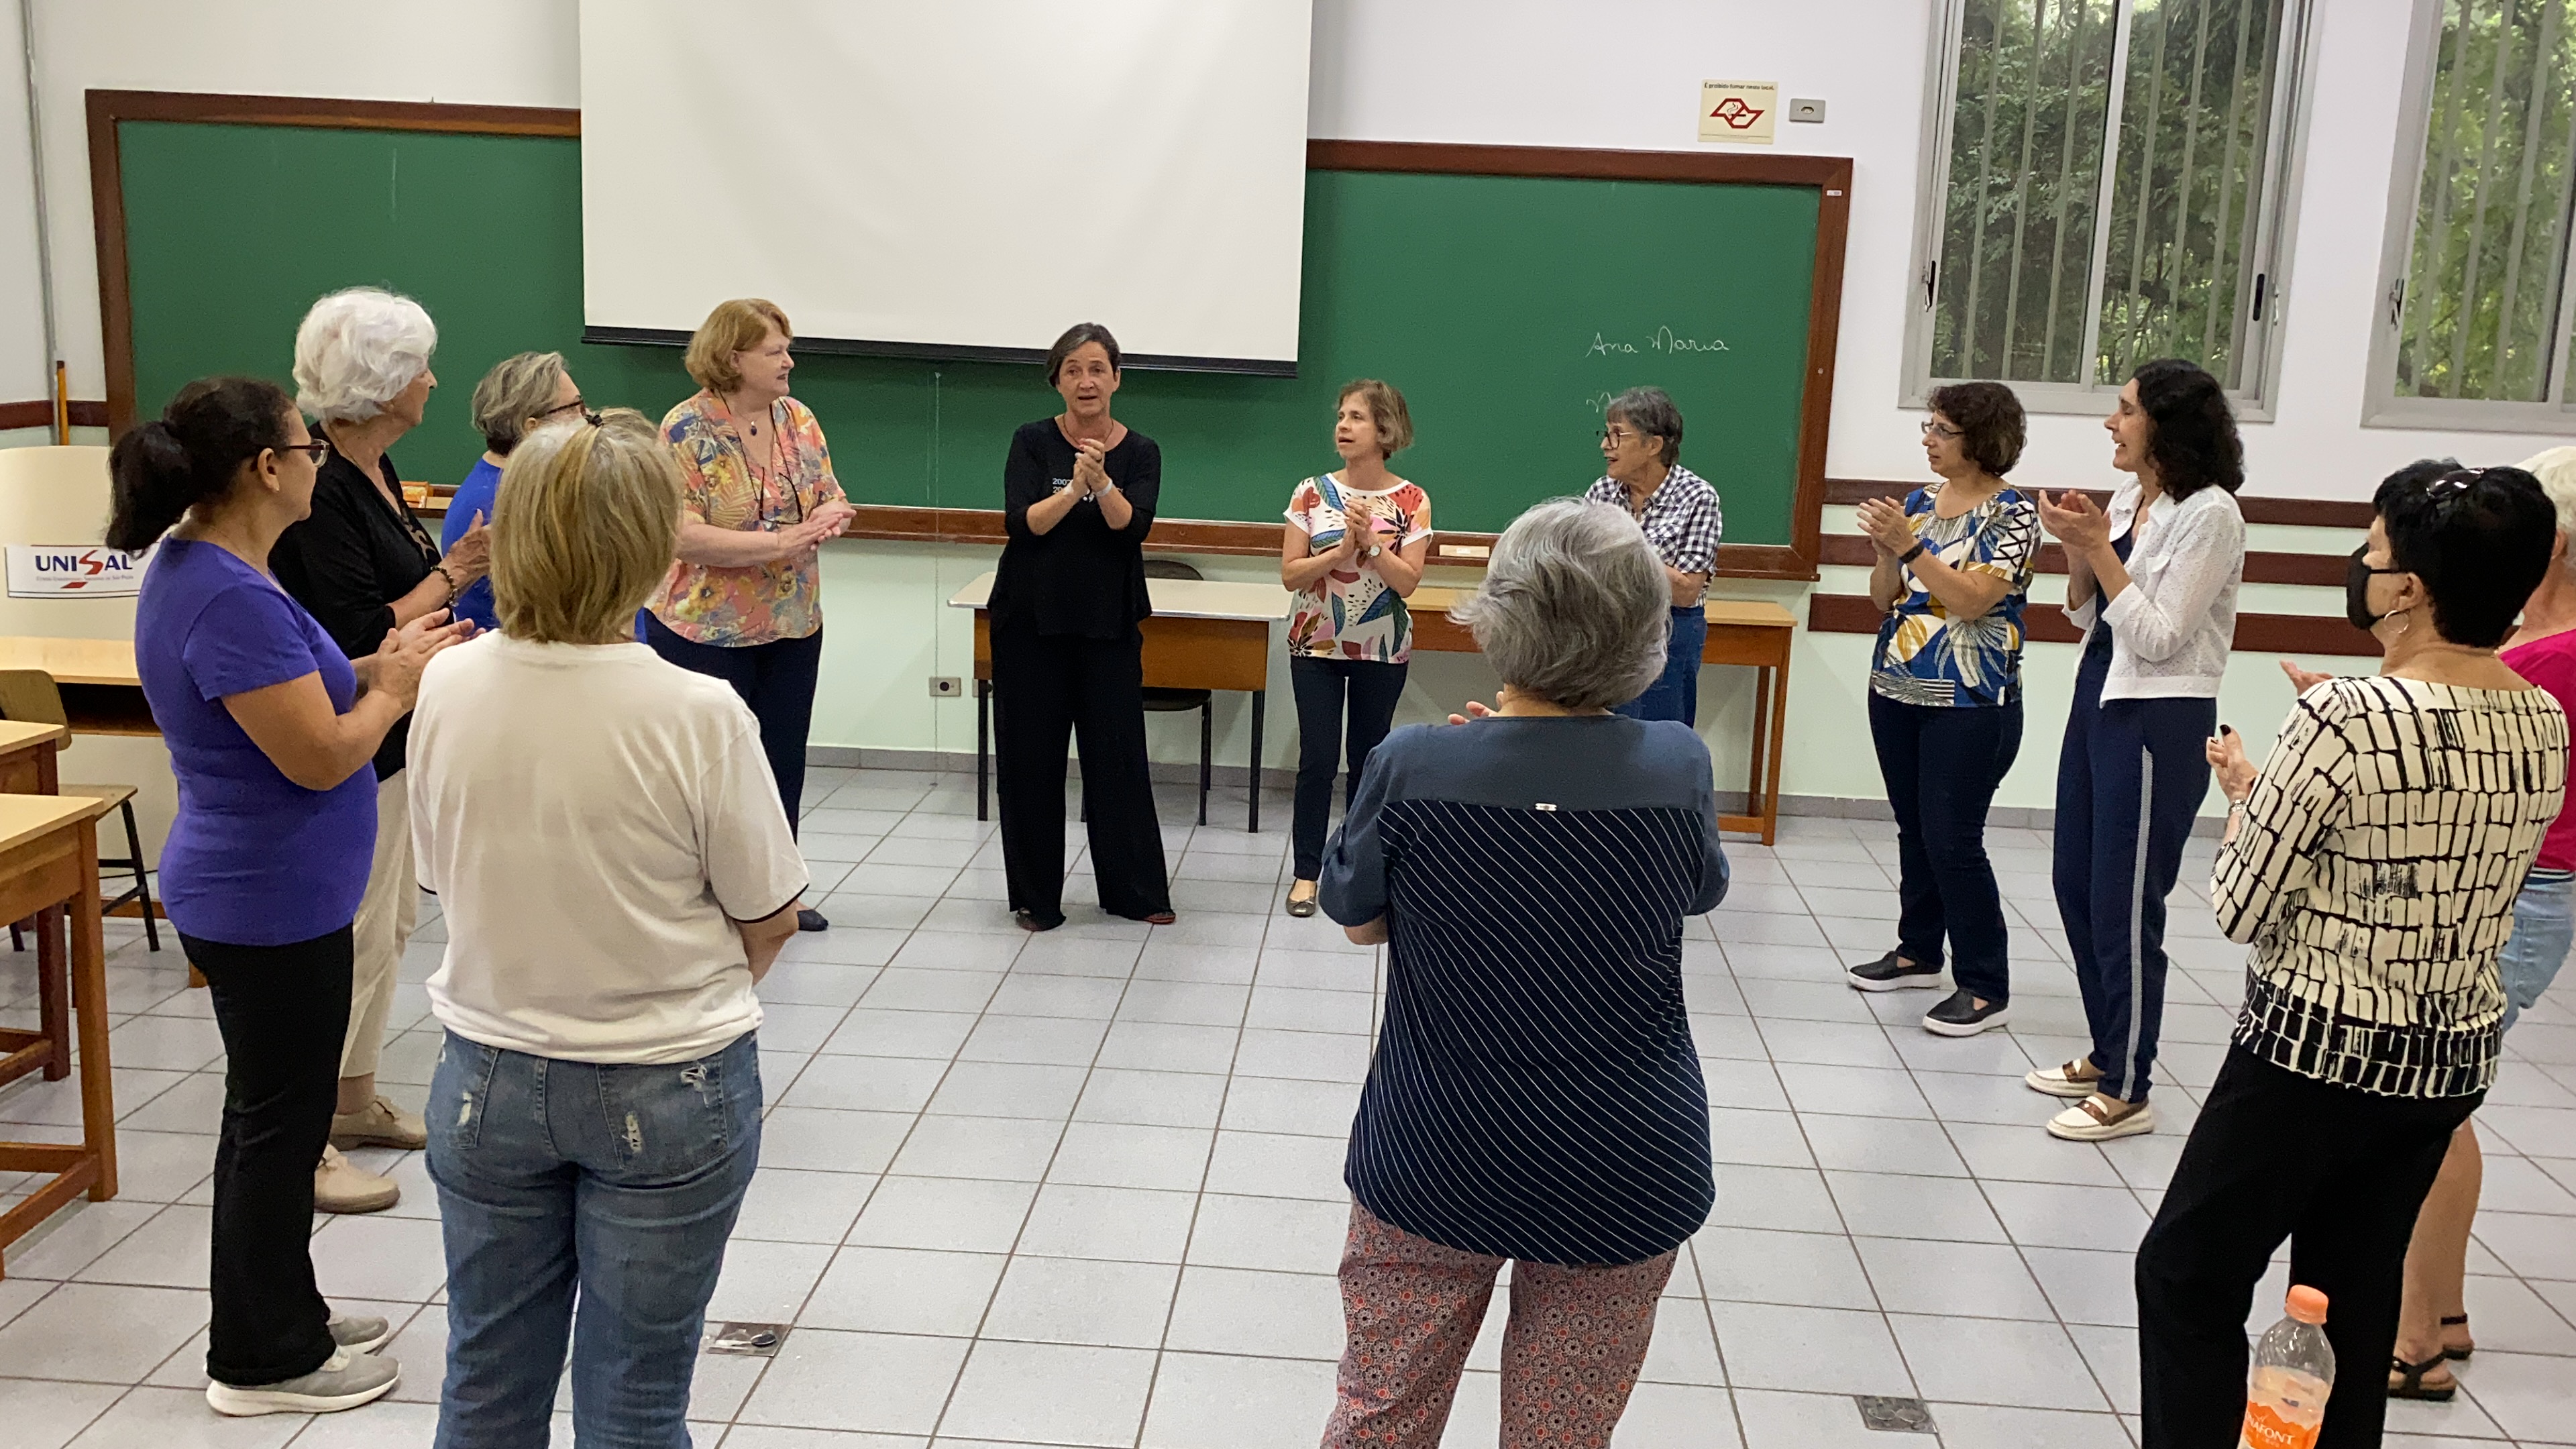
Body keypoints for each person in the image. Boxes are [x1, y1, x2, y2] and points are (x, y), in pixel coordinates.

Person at [2139, 462, 2567, 1449]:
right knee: (2353, 1289)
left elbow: (2243, 906)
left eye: (2373, 551)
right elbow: (2436, 863)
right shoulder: (2541, 717)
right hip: (2446, 1058)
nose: (2361, 567)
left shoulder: (2344, 716)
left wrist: (2255, 799)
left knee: (2186, 1273)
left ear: (2409, 588)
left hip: (2315, 1054)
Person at [412, 409, 808, 1447]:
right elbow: (769, 917)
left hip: (488, 1072)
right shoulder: (698, 713)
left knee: (486, 1385)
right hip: (666, 1079)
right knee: (635, 1401)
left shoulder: (446, 682)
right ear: (650, 548)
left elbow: (438, 873)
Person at [1316, 498, 1728, 1449]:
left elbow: (1357, 916)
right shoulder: (1678, 764)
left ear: (1498, 617)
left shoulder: (1414, 762)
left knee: (1383, 1415)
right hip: (1626, 1162)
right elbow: (1696, 892)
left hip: (1437, 1149)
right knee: (1560, 1435)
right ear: (1646, 629)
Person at [120, 376, 468, 1415]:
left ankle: (284, 1314)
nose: (318, 463)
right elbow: (319, 757)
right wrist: (391, 694)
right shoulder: (226, 595)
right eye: (305, 450)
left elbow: (296, 691)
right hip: (264, 900)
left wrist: (382, 661)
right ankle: (261, 1362)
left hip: (272, 892)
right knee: (277, 1132)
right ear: (268, 469)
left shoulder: (218, 569)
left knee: (270, 1121)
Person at [271, 286, 491, 1212]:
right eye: (420, 368)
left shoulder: (377, 466)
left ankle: (354, 1100)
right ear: (383, 382)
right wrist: (456, 573)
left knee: (391, 921)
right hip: (352, 735)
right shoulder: (323, 490)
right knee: (352, 931)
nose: (434, 382)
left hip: (394, 737)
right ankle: (308, 1135)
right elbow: (355, 632)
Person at [2382, 445, 2576, 1401]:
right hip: (2529, 891)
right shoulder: (2533, 654)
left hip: (2515, 892)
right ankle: (2445, 1312)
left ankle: (2415, 1337)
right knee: (2444, 1105)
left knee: (2428, 1110)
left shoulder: (2538, 665)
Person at [2028, 358, 2246, 1141]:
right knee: (2075, 881)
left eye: (2125, 411)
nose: (2110, 424)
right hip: (2100, 695)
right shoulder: (2129, 500)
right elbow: (2087, 616)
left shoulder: (2210, 514)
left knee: (2124, 899)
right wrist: (2076, 547)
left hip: (2160, 715)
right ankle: (2107, 1047)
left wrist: (2100, 549)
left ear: (2165, 426)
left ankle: (2129, 1087)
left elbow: (2159, 636)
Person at [645, 299, 855, 933]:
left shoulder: (799, 418)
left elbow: (831, 495)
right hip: (705, 633)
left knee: (780, 762)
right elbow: (680, 534)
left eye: (788, 349)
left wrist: (832, 516)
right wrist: (783, 542)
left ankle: (776, 897)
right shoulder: (684, 429)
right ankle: (702, 899)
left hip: (792, 624)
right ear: (733, 358)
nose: (789, 362)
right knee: (709, 773)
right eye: (775, 351)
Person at [1847, 382, 2039, 1037]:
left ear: (1981, 440)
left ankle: (1985, 984)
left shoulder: (2014, 514)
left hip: (1972, 698)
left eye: (1942, 431)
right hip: (1897, 687)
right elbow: (1884, 599)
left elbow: (1972, 601)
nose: (1929, 440)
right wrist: (1887, 554)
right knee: (1914, 827)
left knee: (1953, 838)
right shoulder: (1917, 505)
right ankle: (1918, 951)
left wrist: (1909, 548)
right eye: (1927, 428)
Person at [989, 322, 1175, 931]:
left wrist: (1103, 483)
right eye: (1073, 370)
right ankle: (1036, 899)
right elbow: (1025, 524)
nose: (1086, 381)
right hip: (1030, 623)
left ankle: (1134, 892)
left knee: (1117, 758)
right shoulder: (1030, 440)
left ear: (1117, 379)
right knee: (1031, 760)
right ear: (1058, 382)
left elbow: (1132, 526)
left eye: (1097, 369)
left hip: (1108, 624)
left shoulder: (1142, 451)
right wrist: (1074, 489)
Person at [1281, 380, 1432, 918]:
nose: (1343, 427)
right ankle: (1306, 874)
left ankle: (1359, 871)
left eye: (1357, 418)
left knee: (1369, 762)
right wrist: (1339, 552)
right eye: (1341, 416)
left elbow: (1408, 582)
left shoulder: (1412, 500)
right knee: (1317, 760)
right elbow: (1291, 574)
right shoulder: (1311, 493)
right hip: (1315, 644)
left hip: (1381, 648)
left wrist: (1371, 546)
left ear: (1385, 430)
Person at [1583, 386, 1721, 723]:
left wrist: (1620, 552)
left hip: (1670, 629)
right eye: (1606, 433)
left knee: (1662, 735)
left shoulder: (1698, 497)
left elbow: (1686, 591)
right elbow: (1582, 565)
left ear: (1653, 445)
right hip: (1607, 627)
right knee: (1601, 734)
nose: (1605, 445)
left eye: (1618, 435)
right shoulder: (1601, 492)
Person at [443, 351, 584, 633]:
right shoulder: (506, 503)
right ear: (533, 428)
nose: (586, 418)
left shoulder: (505, 483)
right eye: (574, 408)